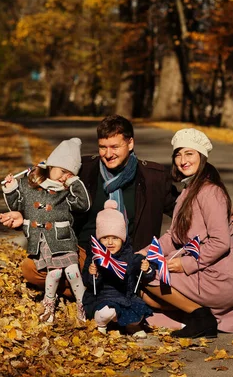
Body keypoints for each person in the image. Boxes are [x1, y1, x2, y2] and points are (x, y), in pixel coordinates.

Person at [14, 115, 178, 296]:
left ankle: (100, 290)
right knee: (31, 269)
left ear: (130, 143)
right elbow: (46, 192)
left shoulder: (154, 177)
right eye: (103, 147)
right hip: (84, 253)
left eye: (115, 147)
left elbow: (182, 212)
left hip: (129, 257)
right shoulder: (84, 170)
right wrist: (23, 215)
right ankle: (92, 292)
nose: (108, 154)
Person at [141, 128, 233, 338]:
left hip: (219, 276)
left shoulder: (210, 192)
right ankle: (195, 317)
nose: (182, 160)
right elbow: (173, 236)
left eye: (189, 154)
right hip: (205, 271)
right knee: (145, 295)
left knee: (149, 275)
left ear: (202, 156)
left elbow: (220, 242)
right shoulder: (188, 191)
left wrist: (184, 265)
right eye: (178, 154)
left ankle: (201, 317)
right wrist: (143, 254)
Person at [0, 138, 91, 323]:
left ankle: (84, 304)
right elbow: (17, 204)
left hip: (63, 238)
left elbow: (83, 204)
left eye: (70, 174)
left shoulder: (66, 192)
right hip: (43, 240)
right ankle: (49, 305)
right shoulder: (29, 185)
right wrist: (10, 189)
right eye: (63, 171)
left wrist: (74, 182)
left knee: (73, 271)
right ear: (51, 165)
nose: (64, 176)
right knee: (55, 273)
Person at [82, 200, 155, 338]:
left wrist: (147, 269)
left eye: (115, 238)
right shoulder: (95, 257)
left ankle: (130, 325)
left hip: (125, 296)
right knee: (107, 311)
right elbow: (88, 282)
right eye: (105, 238)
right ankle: (101, 325)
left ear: (123, 239)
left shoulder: (130, 256)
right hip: (102, 298)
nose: (110, 243)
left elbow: (144, 275)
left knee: (137, 313)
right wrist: (93, 275)